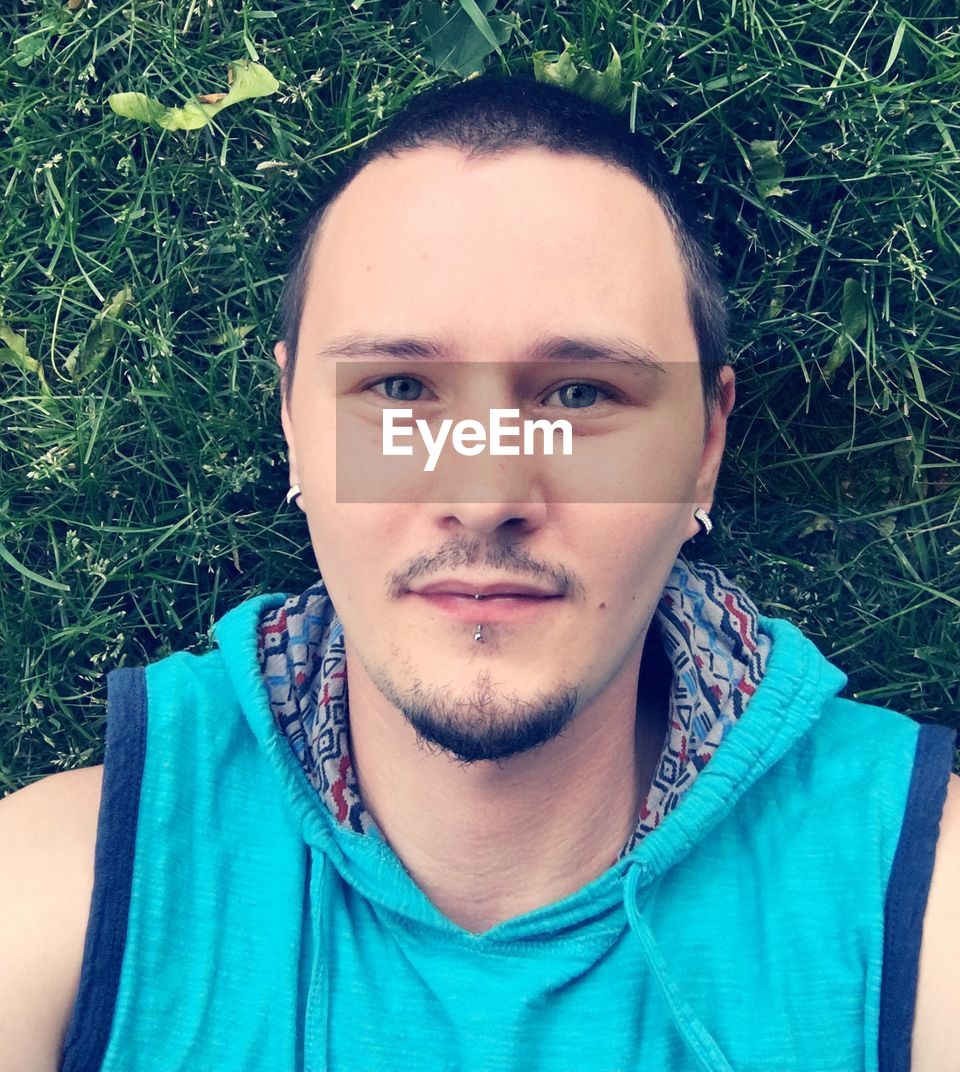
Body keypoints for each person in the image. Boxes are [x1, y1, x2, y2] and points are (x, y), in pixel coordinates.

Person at [1, 73, 957, 1072]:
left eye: (583, 392)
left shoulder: (918, 895)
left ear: (706, 445)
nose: (487, 487)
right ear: (292, 422)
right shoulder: (57, 893)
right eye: (400, 388)